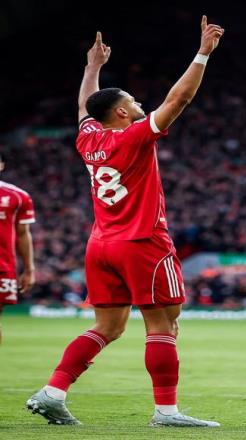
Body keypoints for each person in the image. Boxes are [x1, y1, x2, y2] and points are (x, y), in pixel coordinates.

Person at [27, 16, 224, 427]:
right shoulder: (134, 135)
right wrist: (203, 53)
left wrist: (92, 68)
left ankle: (52, 392)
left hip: (101, 244)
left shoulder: (87, 138)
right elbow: (178, 100)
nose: (139, 105)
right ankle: (167, 412)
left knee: (108, 325)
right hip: (142, 241)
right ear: (120, 112)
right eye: (133, 102)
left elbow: (85, 106)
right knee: (165, 321)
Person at [0, 153, 36, 343]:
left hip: (2, 266)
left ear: (2, 166)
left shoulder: (18, 196)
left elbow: (23, 234)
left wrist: (29, 269)